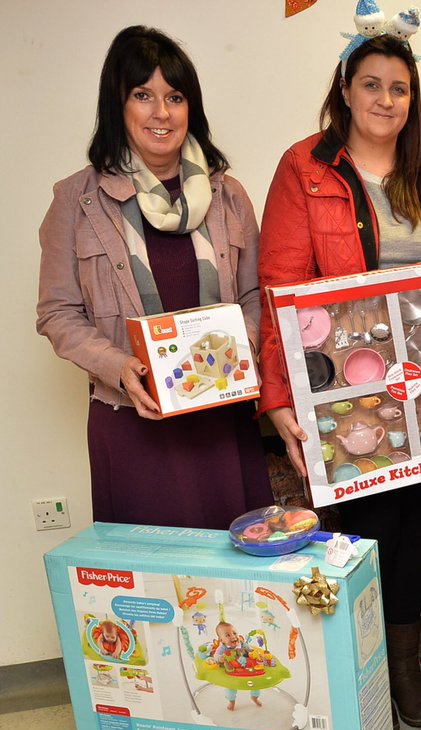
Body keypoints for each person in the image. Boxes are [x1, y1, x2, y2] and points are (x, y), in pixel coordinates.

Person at [255, 27, 421, 729]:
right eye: (371, 84)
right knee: (367, 525)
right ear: (344, 88)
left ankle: (402, 670)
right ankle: (366, 678)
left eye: (399, 88)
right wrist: (279, 400)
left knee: (413, 525)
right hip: (347, 385)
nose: (386, 100)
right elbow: (279, 286)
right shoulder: (303, 168)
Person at [36, 25, 272, 528]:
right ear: (117, 104)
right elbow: (57, 313)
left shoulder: (229, 197)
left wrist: (239, 347)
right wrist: (120, 365)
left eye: (175, 97)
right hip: (133, 422)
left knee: (237, 580)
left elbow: (255, 295)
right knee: (152, 590)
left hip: (221, 421)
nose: (161, 113)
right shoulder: (75, 203)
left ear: (192, 108)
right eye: (143, 95)